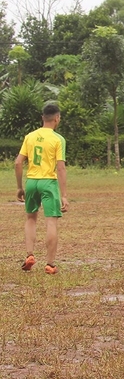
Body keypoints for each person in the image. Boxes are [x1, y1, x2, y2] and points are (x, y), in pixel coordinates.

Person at [15, 103, 69, 275]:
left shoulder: (30, 136)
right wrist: (64, 195)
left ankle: (29, 255)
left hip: (31, 182)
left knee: (31, 218)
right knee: (51, 221)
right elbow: (60, 168)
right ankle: (50, 264)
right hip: (48, 182)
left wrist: (19, 187)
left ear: (42, 118)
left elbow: (18, 162)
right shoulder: (58, 139)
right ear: (57, 118)